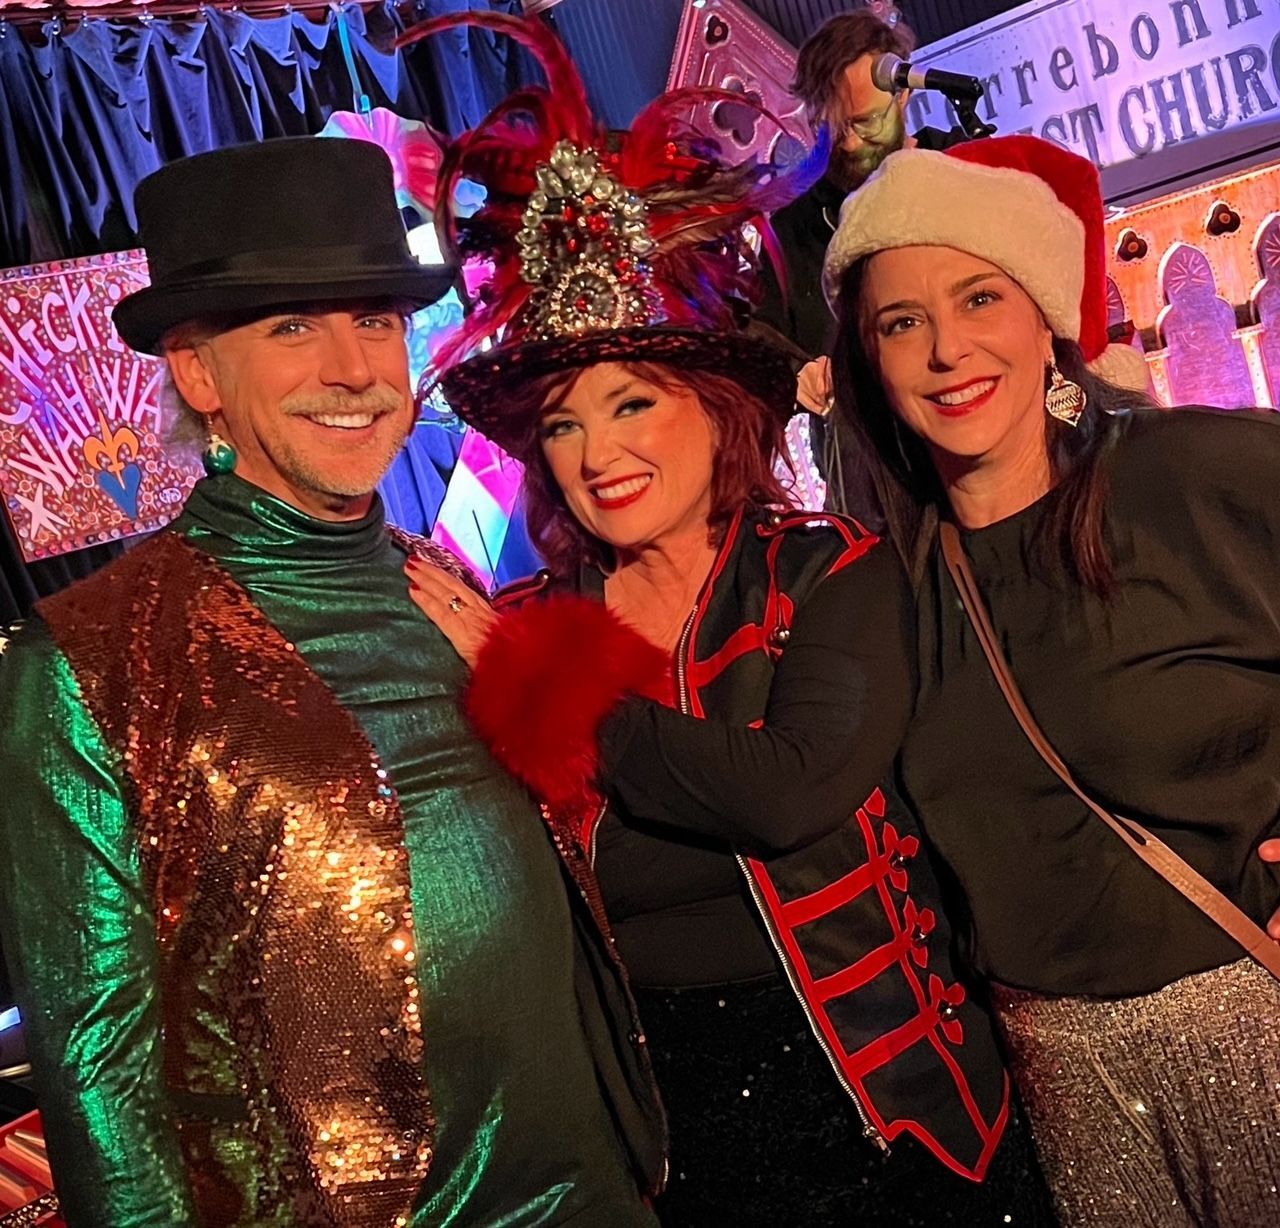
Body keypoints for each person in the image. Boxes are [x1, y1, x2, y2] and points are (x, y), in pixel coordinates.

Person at [398, 11, 1056, 1227]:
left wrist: (546, 681)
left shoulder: (826, 574)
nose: (598, 453)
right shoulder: (529, 613)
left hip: (892, 1116)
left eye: (632, 402)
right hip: (669, 1137)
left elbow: (782, 790)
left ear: (712, 408)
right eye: (562, 424)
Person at [0, 137, 663, 1227]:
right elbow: (98, 1073)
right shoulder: (87, 659)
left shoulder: (433, 575)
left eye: (376, 320)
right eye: (295, 326)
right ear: (198, 371)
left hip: (596, 1187)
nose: (356, 369)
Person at [823, 133, 1280, 1225]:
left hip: (1250, 1024)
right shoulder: (883, 592)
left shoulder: (1184, 476)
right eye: (901, 322)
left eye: (978, 297)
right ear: (871, 367)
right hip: (1063, 1086)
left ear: (1042, 318)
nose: (945, 351)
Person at [758, 9, 970, 417]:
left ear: (903, 94)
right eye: (831, 127)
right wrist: (795, 373)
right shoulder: (794, 228)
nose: (851, 144)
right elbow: (763, 339)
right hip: (861, 458)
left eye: (867, 121)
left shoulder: (962, 170)